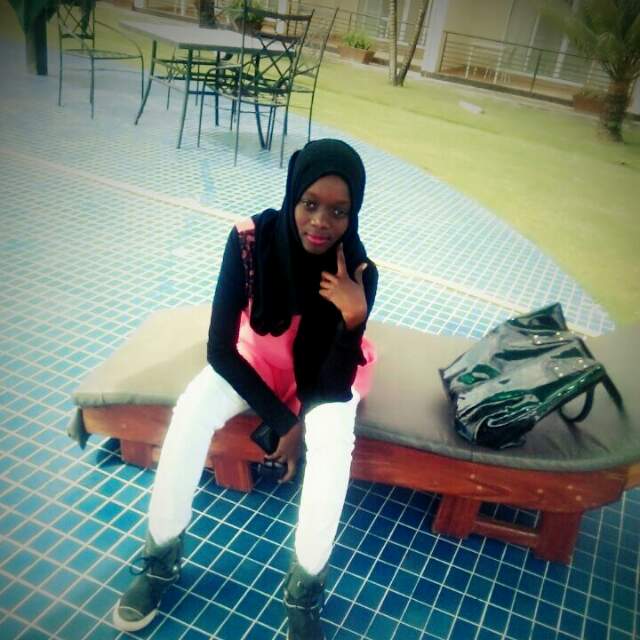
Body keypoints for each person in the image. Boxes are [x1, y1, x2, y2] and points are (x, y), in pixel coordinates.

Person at [112, 139, 378, 640]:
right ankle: (160, 558)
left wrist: (352, 318)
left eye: (338, 211)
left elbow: (333, 383)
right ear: (293, 195)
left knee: (333, 440)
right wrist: (282, 422)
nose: (321, 222)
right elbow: (219, 350)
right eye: (310, 203)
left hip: (322, 373)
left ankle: (305, 588)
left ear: (353, 213)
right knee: (192, 410)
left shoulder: (358, 272)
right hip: (256, 360)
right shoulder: (250, 242)